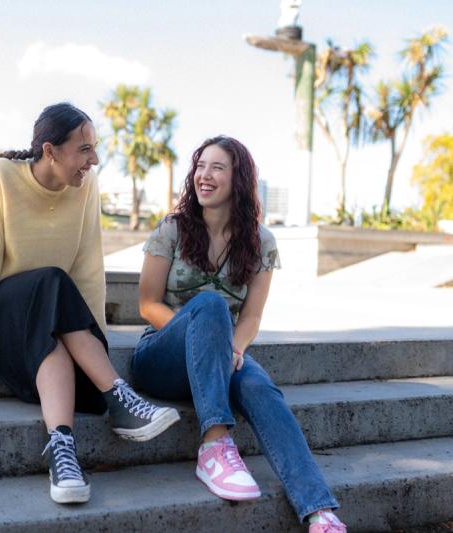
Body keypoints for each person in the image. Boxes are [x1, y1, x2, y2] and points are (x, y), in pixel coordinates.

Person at [0, 102, 179, 505]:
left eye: (94, 148)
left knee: (55, 302)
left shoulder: (85, 186)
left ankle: (63, 455)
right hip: (7, 318)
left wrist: (93, 345)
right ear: (50, 151)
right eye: (84, 149)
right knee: (52, 278)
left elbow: (88, 267)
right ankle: (120, 398)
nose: (94, 160)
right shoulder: (0, 176)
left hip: (50, 321)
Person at [131, 136, 347, 532]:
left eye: (217, 167)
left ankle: (320, 512)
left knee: (260, 388)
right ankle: (214, 445)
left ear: (239, 179)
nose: (204, 175)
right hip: (161, 356)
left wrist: (231, 348)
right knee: (211, 305)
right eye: (200, 166)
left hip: (223, 353)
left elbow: (251, 317)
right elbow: (147, 304)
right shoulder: (172, 229)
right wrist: (204, 337)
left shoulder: (261, 241)